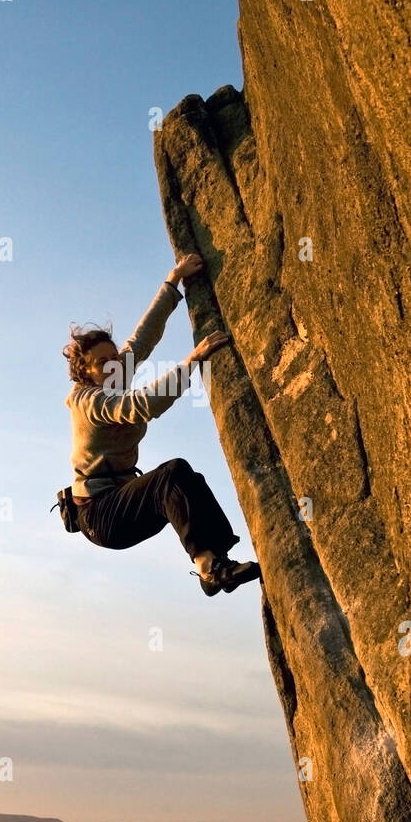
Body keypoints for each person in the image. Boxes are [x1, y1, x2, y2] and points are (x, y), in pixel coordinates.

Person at [62, 253, 261, 596]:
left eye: (114, 359)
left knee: (187, 481)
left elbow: (143, 339)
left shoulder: (114, 373)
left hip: (122, 500)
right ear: (85, 371)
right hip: (101, 516)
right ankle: (207, 568)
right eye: (102, 363)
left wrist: (174, 280)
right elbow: (138, 406)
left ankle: (217, 562)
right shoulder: (88, 400)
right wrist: (192, 361)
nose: (112, 366)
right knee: (172, 475)